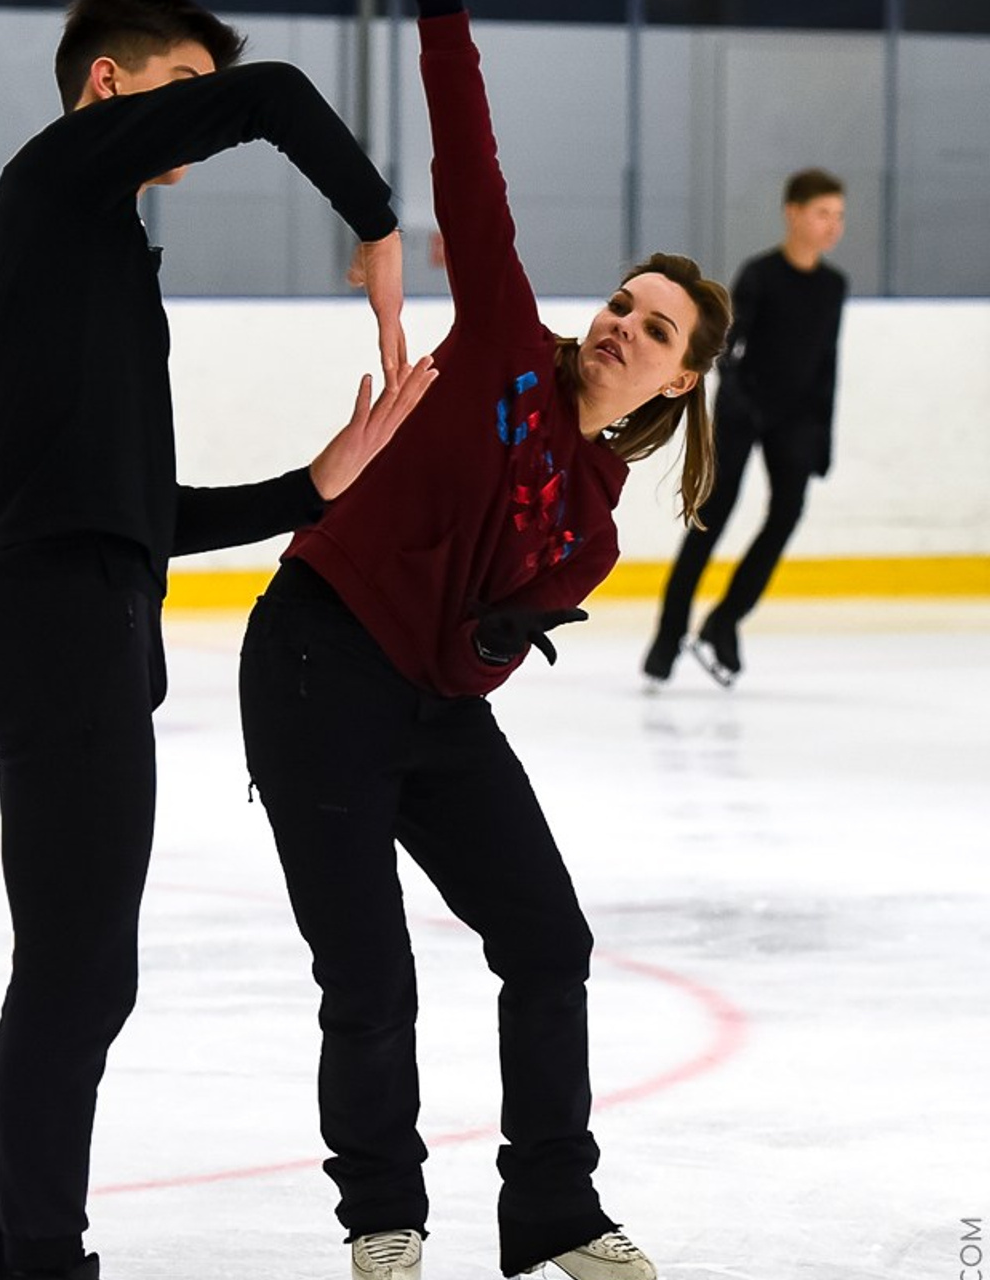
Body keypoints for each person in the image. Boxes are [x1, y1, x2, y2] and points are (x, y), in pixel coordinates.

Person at [237, 3, 731, 1279]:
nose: (622, 323)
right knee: (369, 966)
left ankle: (554, 1207)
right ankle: (383, 1220)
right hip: (315, 661)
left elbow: (470, 664)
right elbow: (467, 153)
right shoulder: (508, 333)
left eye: (655, 330)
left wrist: (479, 641)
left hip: (434, 708)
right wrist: (443, 18)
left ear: (676, 382)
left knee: (544, 938)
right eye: (625, 301)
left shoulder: (596, 525)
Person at [0, 2, 438, 1277]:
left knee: (67, 975)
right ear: (106, 88)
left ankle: (20, 1255)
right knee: (75, 980)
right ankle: (35, 1261)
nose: (196, 111)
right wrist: (380, 230)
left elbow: (136, 511)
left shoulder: (89, 242)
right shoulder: (57, 173)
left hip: (72, 614)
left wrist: (314, 484)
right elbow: (271, 94)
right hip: (58, 625)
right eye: (179, 87)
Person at [642, 167, 847, 686]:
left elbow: (827, 360)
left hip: (796, 418)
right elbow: (727, 349)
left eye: (839, 216)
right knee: (711, 518)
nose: (833, 225)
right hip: (744, 411)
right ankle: (669, 634)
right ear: (793, 213)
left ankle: (724, 622)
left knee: (786, 515)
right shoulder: (760, 274)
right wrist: (740, 403)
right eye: (823, 213)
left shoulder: (832, 286)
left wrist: (822, 434)